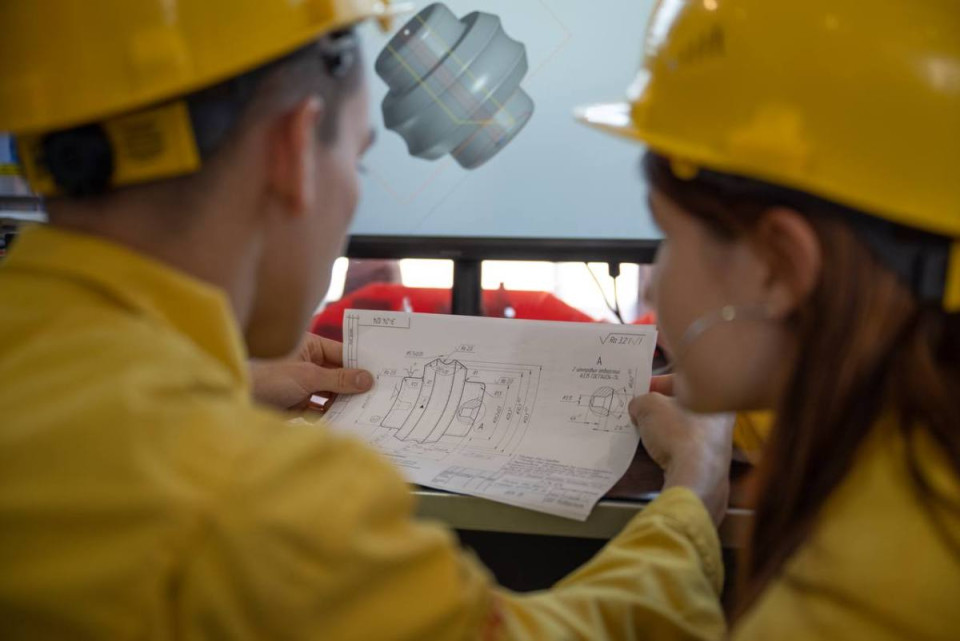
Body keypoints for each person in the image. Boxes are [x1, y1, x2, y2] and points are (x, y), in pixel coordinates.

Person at [0, 1, 733, 639]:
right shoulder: (261, 505)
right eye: (360, 156)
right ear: (294, 150)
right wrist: (693, 492)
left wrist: (218, 381)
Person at [578, 0, 960, 637]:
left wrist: (692, 479)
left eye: (668, 237)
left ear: (780, 266)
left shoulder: (851, 606)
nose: (657, 280)